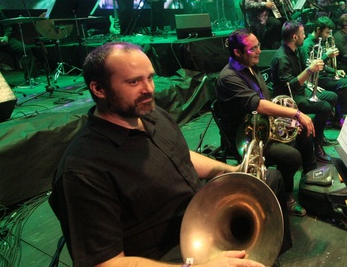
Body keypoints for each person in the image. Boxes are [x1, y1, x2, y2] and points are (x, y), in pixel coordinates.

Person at [49, 41, 290, 266]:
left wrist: (233, 171)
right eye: (134, 82)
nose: (149, 89)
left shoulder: (152, 115)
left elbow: (182, 155)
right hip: (166, 254)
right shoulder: (82, 170)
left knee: (271, 179)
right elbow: (105, 263)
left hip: (202, 217)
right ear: (99, 89)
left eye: (150, 78)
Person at [215, 28, 317, 217]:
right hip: (247, 138)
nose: (259, 51)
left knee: (303, 130)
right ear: (237, 52)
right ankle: (285, 196)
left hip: (262, 126)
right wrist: (296, 113)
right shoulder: (229, 77)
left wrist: (288, 118)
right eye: (253, 48)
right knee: (292, 156)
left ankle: (310, 178)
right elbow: (259, 105)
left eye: (258, 46)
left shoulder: (249, 66)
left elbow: (265, 101)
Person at [270, 21, 338, 163]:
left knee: (332, 96)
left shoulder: (296, 50)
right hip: (289, 98)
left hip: (302, 90)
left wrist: (310, 85)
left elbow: (300, 76)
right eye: (302, 33)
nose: (305, 36)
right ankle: (316, 145)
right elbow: (290, 86)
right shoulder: (282, 57)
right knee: (324, 107)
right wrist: (310, 70)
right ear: (295, 37)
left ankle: (318, 134)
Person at [302, 16, 347, 131]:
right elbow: (309, 67)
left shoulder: (320, 41)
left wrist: (335, 71)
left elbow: (323, 65)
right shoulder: (307, 45)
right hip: (315, 78)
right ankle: (337, 118)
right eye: (326, 32)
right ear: (318, 29)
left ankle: (341, 114)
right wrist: (326, 55)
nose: (327, 35)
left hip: (323, 74)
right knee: (344, 84)